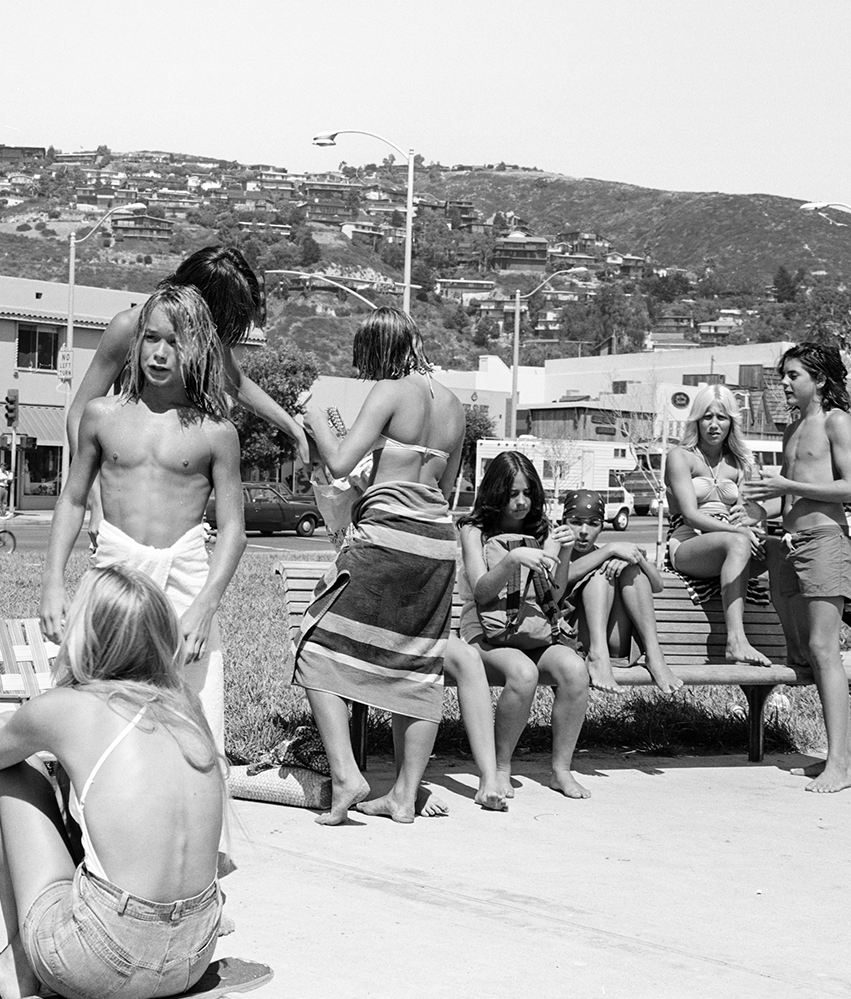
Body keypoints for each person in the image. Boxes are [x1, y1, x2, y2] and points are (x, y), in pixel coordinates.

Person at [0, 566, 225, 999]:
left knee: (19, 772)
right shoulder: (187, 707)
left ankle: (16, 966)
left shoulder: (69, 708)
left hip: (102, 963)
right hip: (193, 954)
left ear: (87, 634)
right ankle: (18, 961)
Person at [295, 307, 482, 822]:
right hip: (438, 542)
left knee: (314, 641)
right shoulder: (453, 406)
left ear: (379, 351)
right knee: (419, 665)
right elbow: (444, 489)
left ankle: (346, 775)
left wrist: (313, 420)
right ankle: (403, 796)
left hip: (389, 537)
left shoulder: (390, 391)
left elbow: (337, 462)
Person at [44, 284, 247, 755]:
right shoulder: (101, 416)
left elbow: (233, 531)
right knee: (97, 706)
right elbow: (72, 500)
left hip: (186, 581)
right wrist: (53, 581)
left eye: (175, 342)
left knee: (193, 719)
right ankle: (92, 816)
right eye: (152, 338)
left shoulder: (217, 432)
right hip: (113, 576)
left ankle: (192, 817)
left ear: (196, 347)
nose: (160, 353)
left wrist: (205, 605)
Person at [67, 244, 311, 506]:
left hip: (178, 475)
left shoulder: (207, 333)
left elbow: (236, 384)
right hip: (127, 475)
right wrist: (94, 497)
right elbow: (80, 414)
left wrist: (293, 428)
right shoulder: (129, 327)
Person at [744, 342, 851, 794]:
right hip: (792, 545)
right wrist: (758, 506)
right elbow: (792, 496)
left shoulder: (838, 421)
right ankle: (846, 757)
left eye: (793, 375)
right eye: (784, 375)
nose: (785, 383)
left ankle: (836, 763)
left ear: (820, 379)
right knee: (804, 652)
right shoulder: (793, 428)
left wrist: (786, 484)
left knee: (823, 649)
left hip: (827, 543)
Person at [458, 452, 595, 802]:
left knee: (575, 671)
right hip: (486, 633)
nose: (521, 502)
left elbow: (555, 592)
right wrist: (512, 559)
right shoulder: (474, 531)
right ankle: (500, 768)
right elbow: (481, 590)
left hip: (533, 630)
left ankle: (561, 770)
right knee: (522, 673)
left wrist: (562, 553)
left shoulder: (541, 530)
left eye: (527, 493)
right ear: (495, 492)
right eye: (512, 493)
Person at [662, 384, 772, 667]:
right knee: (738, 542)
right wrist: (739, 532)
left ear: (731, 422)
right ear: (696, 420)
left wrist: (755, 522)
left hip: (733, 541)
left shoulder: (741, 461)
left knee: (779, 550)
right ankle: (736, 641)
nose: (714, 425)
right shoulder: (680, 456)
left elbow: (754, 511)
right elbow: (690, 515)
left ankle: (795, 644)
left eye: (721, 418)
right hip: (688, 545)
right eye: (707, 417)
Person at [560, 489, 685, 698]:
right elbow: (563, 577)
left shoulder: (608, 552)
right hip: (575, 643)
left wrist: (637, 559)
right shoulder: (558, 552)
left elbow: (658, 585)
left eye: (592, 523)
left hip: (616, 646)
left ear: (601, 526)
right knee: (601, 573)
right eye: (575, 521)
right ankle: (598, 657)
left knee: (631, 569)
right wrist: (609, 550)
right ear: (563, 521)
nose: (583, 530)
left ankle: (654, 654)